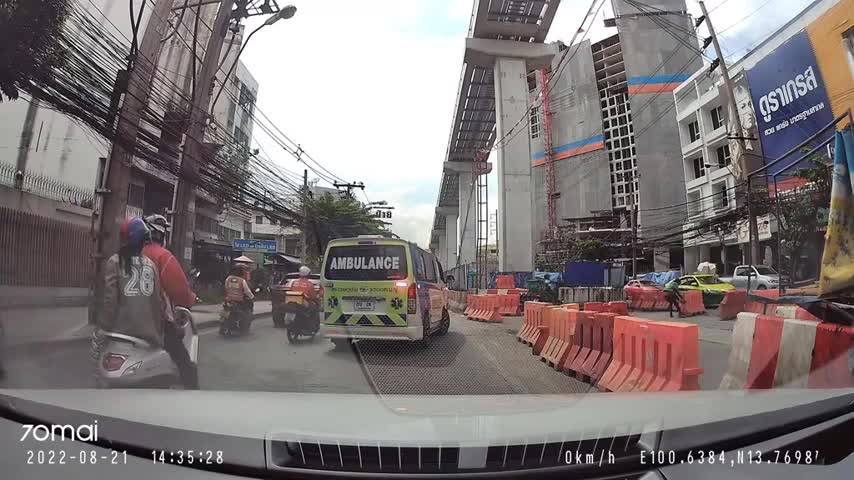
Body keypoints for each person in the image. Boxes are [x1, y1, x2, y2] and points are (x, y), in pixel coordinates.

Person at [143, 214, 198, 389]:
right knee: (184, 362)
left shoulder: (125, 256)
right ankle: (193, 394)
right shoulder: (162, 256)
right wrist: (189, 299)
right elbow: (179, 290)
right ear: (161, 235)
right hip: (155, 320)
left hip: (122, 320)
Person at [101, 217, 165, 347]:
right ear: (143, 241)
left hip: (120, 334)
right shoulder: (151, 265)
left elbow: (110, 300)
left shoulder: (115, 262)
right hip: (148, 336)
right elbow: (157, 302)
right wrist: (157, 333)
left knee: (96, 359)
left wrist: (104, 327)